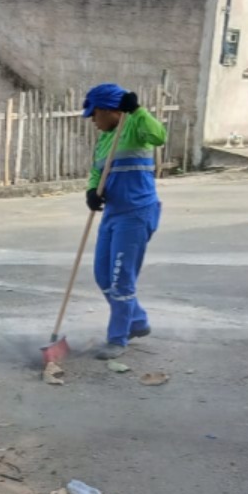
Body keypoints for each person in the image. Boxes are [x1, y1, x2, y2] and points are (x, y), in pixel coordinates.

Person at [82, 83, 166, 360]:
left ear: (110, 110)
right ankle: (138, 321)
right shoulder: (105, 139)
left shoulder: (134, 128)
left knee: (121, 281)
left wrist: (138, 111)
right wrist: (92, 192)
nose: (93, 121)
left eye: (95, 114)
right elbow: (97, 172)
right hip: (112, 213)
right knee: (102, 275)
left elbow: (158, 136)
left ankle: (118, 338)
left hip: (136, 213)